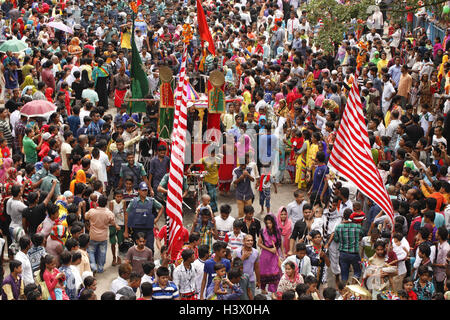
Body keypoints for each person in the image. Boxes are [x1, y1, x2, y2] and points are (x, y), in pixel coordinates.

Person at [85, 195, 120, 274]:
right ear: (105, 203)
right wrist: (116, 226)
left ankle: (93, 266)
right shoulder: (109, 213)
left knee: (91, 251)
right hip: (103, 237)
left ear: (98, 202)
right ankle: (100, 268)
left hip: (93, 235)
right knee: (102, 253)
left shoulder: (92, 211)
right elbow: (112, 222)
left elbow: (86, 216)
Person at [125, 182, 163, 253]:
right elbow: (127, 214)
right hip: (137, 229)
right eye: (143, 190)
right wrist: (126, 230)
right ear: (139, 190)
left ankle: (150, 263)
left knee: (150, 249)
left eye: (146, 190)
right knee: (139, 249)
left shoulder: (151, 201)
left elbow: (161, 207)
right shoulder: (133, 201)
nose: (144, 192)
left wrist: (156, 219)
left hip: (149, 229)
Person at [334, 208, 364, 283]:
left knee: (344, 274)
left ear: (343, 216)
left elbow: (336, 239)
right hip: (354, 253)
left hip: (343, 253)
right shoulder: (357, 226)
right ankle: (353, 287)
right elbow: (362, 235)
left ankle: (345, 290)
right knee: (357, 272)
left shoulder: (338, 227)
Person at [258, 214, 282, 295]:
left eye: (270, 223)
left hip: (275, 254)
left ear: (274, 222)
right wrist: (270, 249)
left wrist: (283, 253)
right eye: (267, 223)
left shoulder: (278, 230)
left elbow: (280, 242)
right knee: (264, 272)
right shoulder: (262, 231)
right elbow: (259, 243)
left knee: (274, 271)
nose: (268, 225)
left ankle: (272, 291)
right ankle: (263, 289)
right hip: (266, 254)